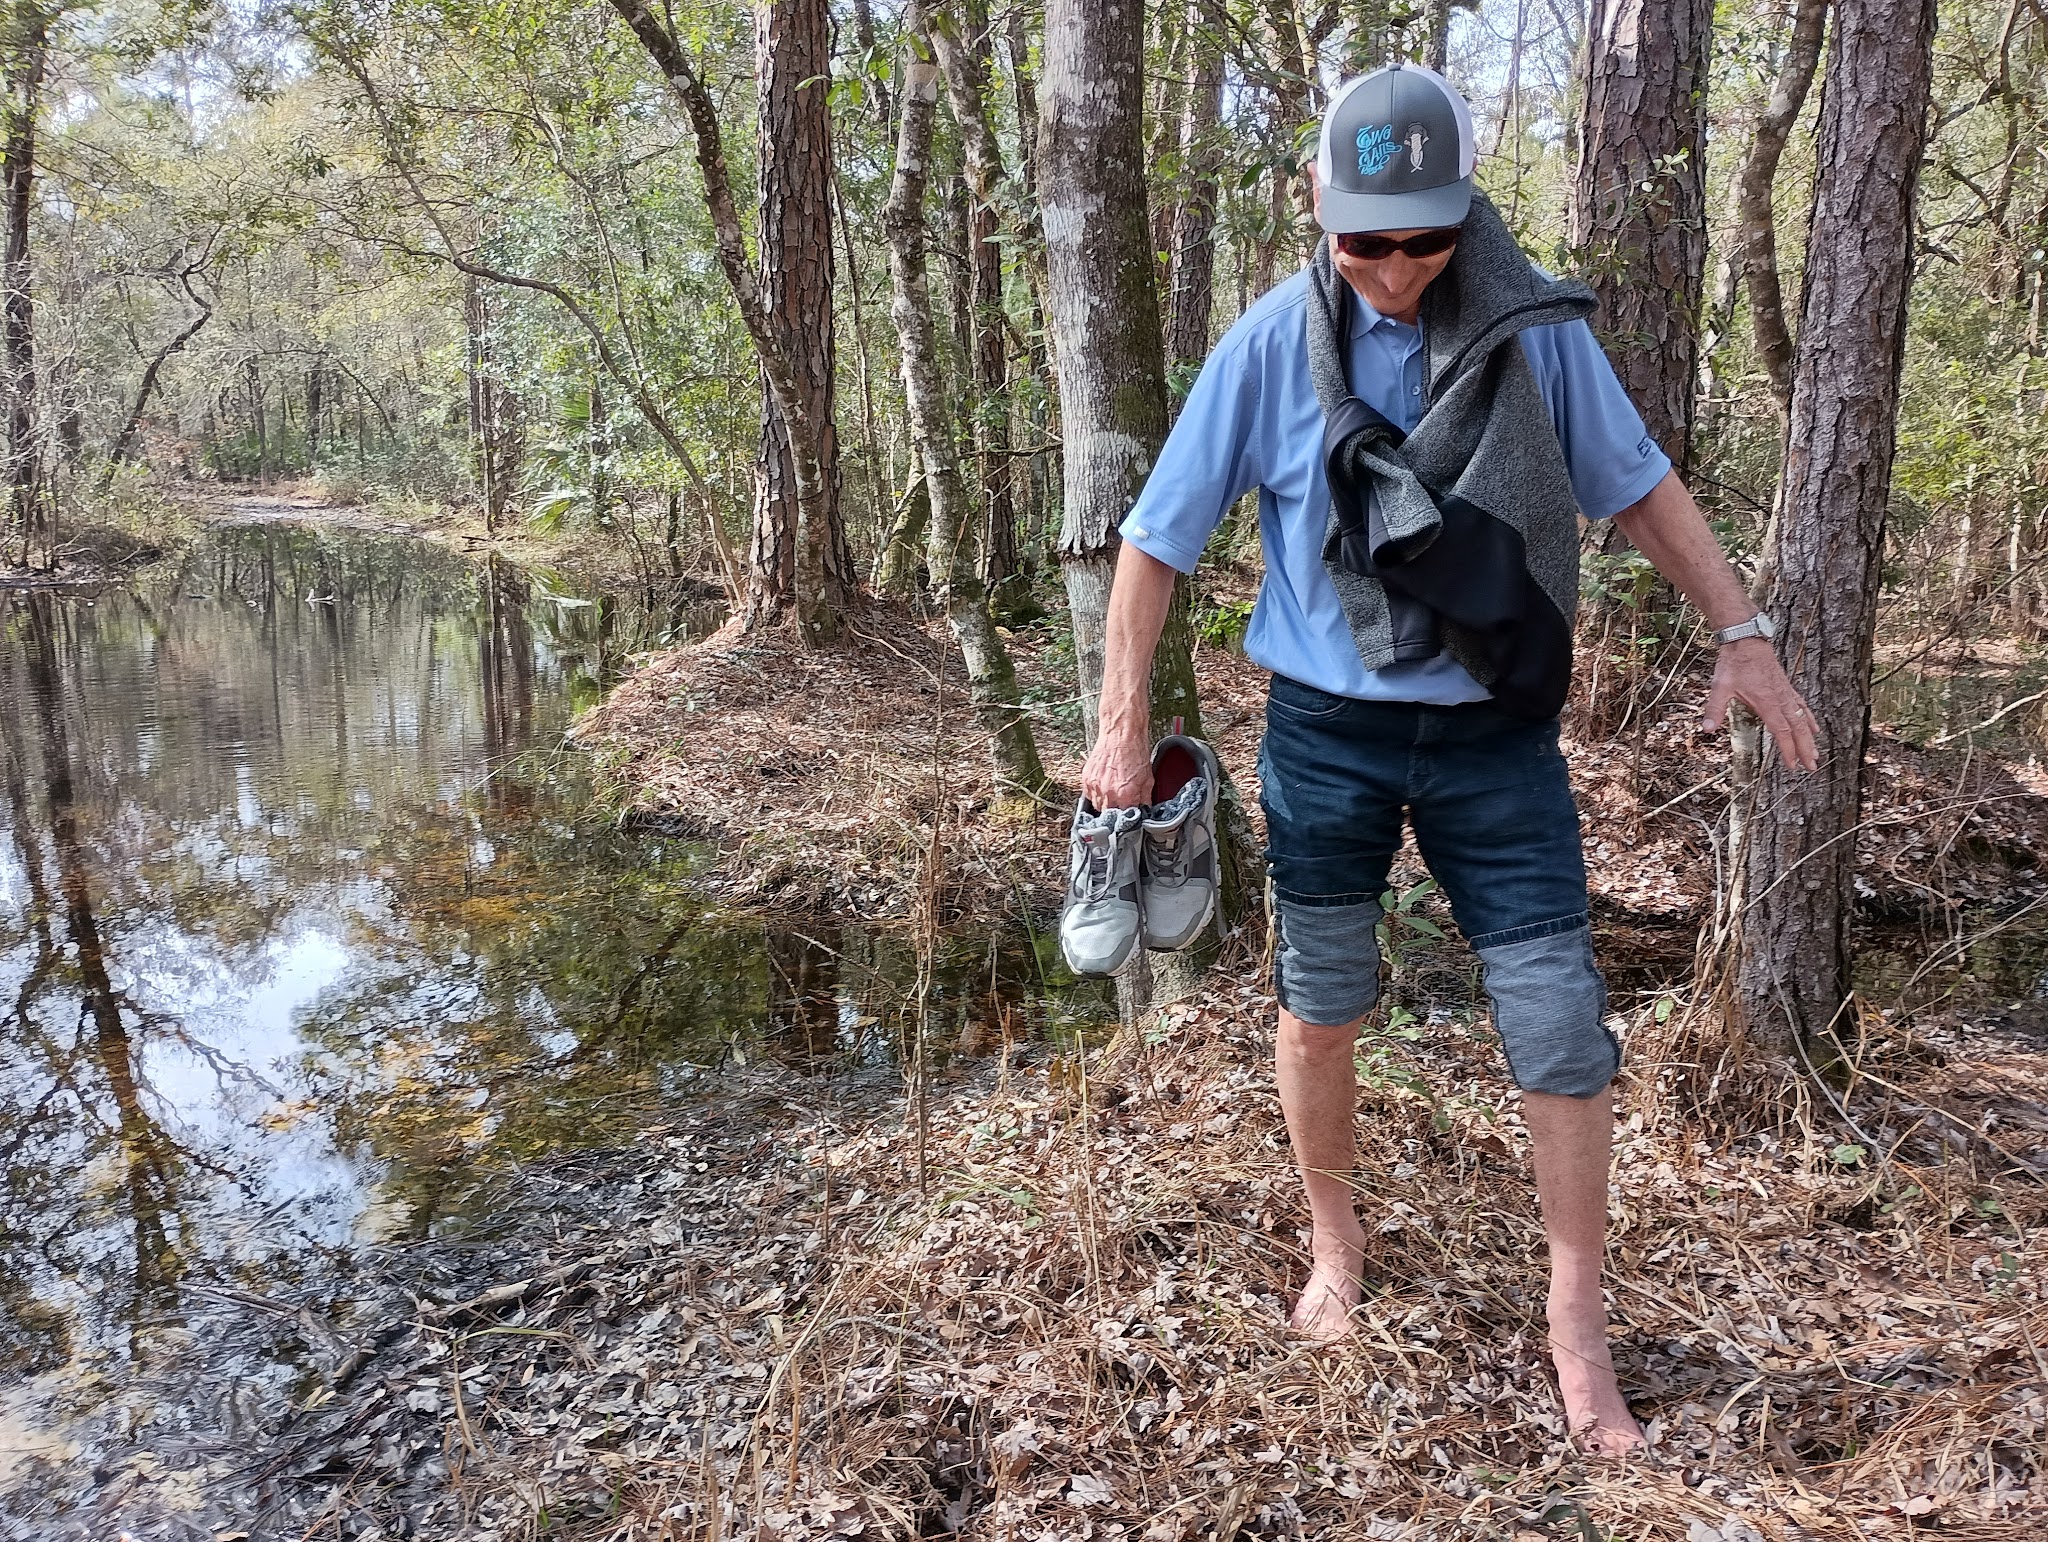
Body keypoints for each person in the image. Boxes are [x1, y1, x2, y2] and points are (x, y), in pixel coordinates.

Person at [1077, 63, 1817, 1456]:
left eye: (1426, 238)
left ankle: (1577, 1324)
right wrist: (1120, 724)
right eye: (1368, 241)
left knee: (1559, 1021)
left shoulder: (1536, 337)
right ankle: (1336, 1241)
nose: (1398, 270)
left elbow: (1639, 485)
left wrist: (1744, 632)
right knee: (1322, 1005)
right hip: (1327, 732)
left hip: (1495, 735)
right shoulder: (1267, 348)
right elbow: (1155, 540)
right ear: (1318, 205)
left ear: (1466, 213)